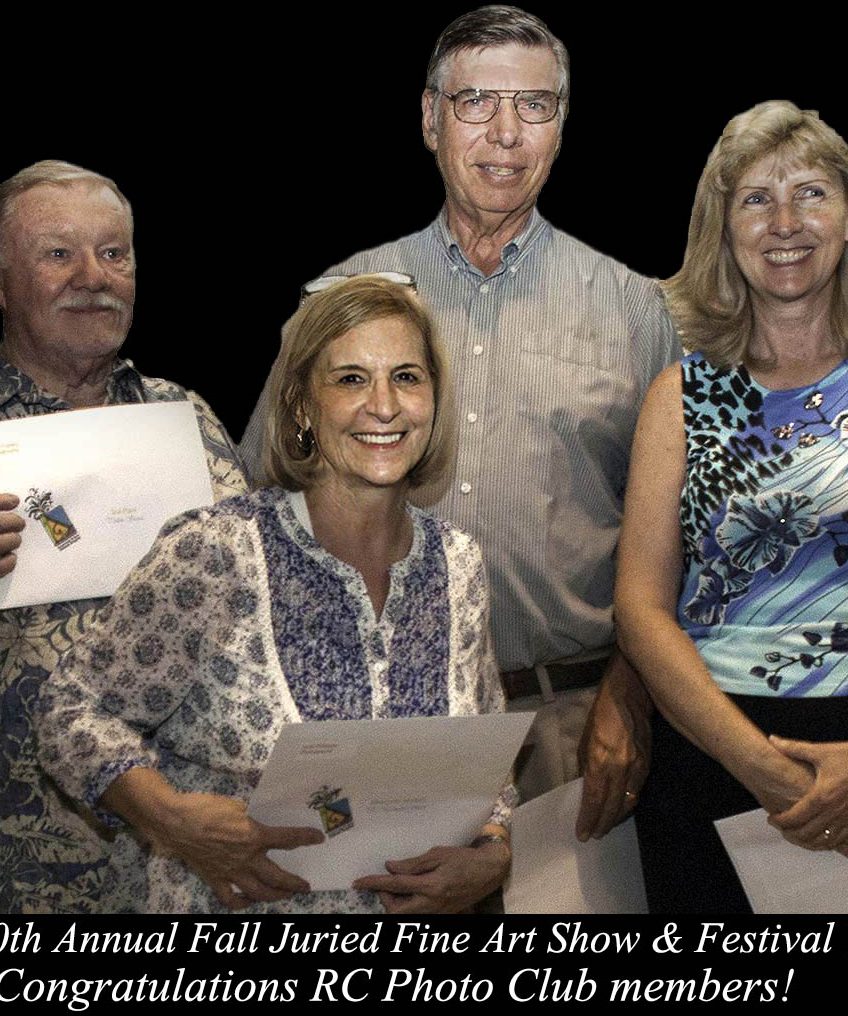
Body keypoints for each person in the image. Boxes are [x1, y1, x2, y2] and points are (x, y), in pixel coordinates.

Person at [239, 5, 681, 829]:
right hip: (377, 719)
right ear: (429, 118)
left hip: (569, 723)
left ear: (562, 125)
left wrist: (631, 691)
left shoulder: (632, 309)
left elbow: (677, 538)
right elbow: (258, 497)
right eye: (476, 101)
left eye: (534, 105)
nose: (505, 133)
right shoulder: (342, 299)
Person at [37, 275, 514, 914]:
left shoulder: (459, 565)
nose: (384, 405)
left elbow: (484, 761)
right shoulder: (217, 553)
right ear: (300, 406)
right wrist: (170, 818)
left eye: (406, 377)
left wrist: (493, 852)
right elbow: (71, 708)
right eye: (350, 379)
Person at [615, 100, 848, 912]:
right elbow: (641, 610)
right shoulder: (678, 397)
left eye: (811, 193)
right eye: (756, 199)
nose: (785, 222)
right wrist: (761, 768)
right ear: (724, 228)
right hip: (709, 756)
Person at [0, 160, 247, 913]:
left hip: (200, 857)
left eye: (113, 253)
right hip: (36, 865)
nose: (93, 277)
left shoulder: (186, 414)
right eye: (58, 254)